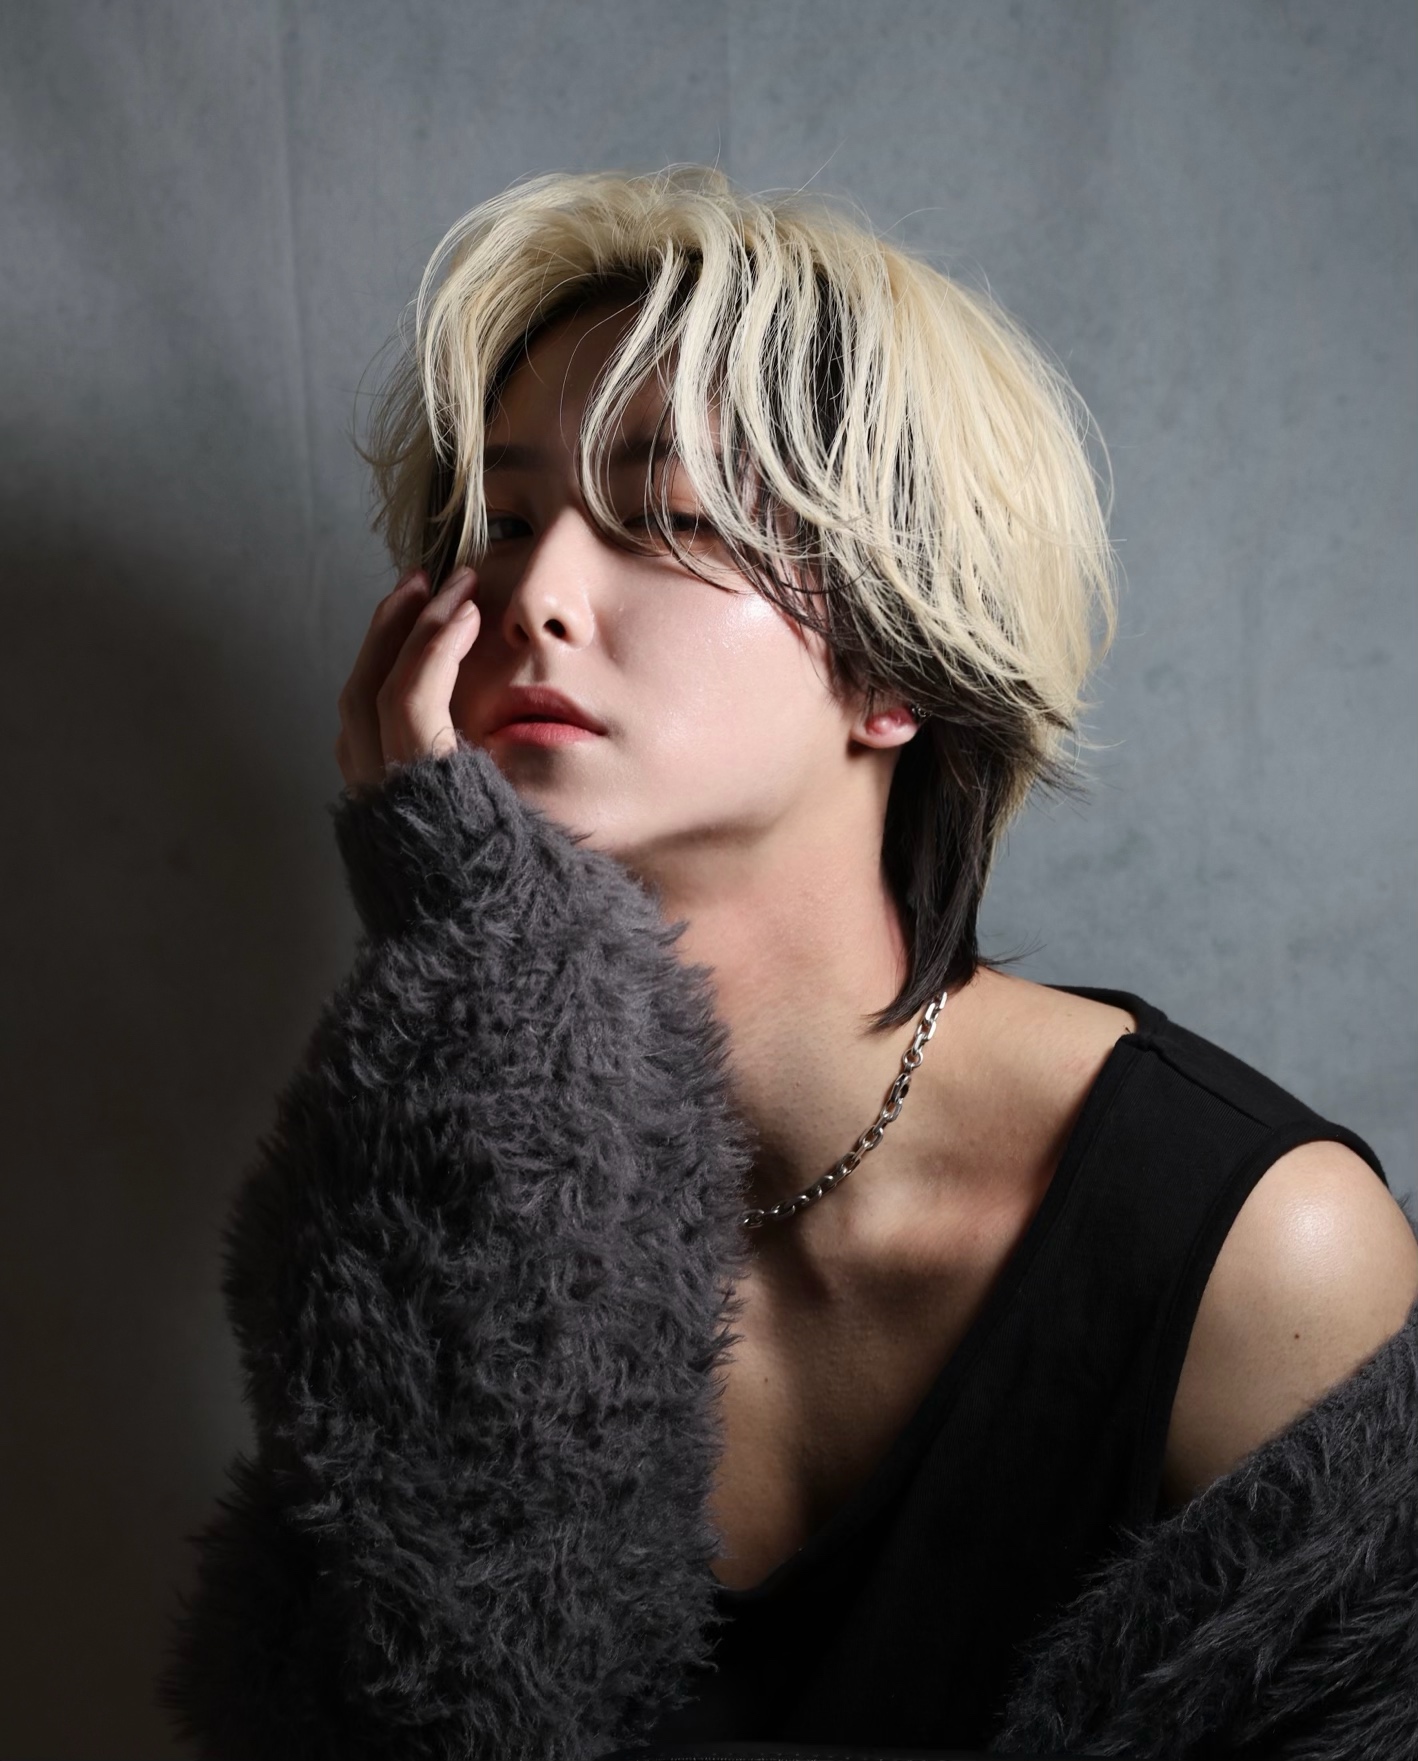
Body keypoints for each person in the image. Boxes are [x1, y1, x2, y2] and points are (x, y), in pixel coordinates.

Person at [162, 166, 1418, 1758]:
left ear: (894, 663)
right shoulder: (444, 1147)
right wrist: (465, 944)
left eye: (668, 522)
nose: (536, 598)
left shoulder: (1262, 1251)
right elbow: (406, 1709)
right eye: (507, 522)